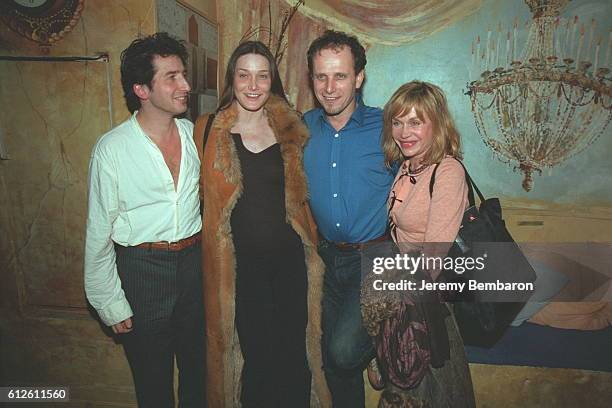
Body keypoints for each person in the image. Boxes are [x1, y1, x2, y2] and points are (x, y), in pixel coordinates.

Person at [194, 40, 331, 408]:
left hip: (290, 265)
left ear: (272, 81)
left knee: (293, 357)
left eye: (262, 76)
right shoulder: (207, 131)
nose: (253, 85)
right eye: (244, 75)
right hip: (241, 269)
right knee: (257, 359)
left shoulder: (294, 130)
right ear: (232, 80)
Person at [84, 33, 205, 408]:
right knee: (152, 384)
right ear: (141, 88)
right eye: (171, 77)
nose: (185, 85)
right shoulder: (112, 149)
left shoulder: (195, 134)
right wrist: (109, 302)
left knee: (199, 375)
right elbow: (98, 233)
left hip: (193, 265)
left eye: (183, 74)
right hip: (141, 271)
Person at [303, 30, 396, 407]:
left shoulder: (388, 127)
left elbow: (431, 169)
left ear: (358, 78)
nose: (329, 87)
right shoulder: (301, 128)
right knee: (331, 362)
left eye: (340, 75)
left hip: (375, 259)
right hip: (324, 260)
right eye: (320, 76)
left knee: (343, 351)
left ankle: (379, 343)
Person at [381, 81, 476, 407]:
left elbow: (434, 257)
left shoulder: (447, 171)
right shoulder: (409, 165)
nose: (403, 131)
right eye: (397, 121)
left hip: (429, 304)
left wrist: (396, 313)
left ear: (436, 123)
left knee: (436, 395)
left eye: (415, 122)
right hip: (405, 294)